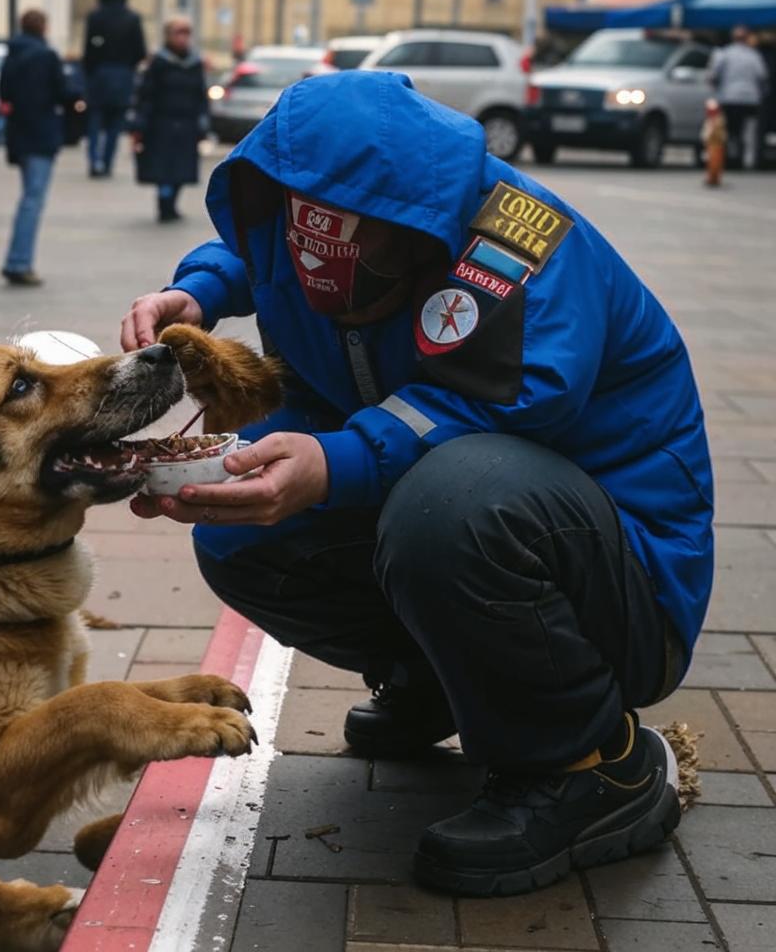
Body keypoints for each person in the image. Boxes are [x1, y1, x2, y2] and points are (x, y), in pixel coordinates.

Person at [119, 72, 714, 897]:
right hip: (476, 513)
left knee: (452, 502)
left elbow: (485, 415)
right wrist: (200, 290)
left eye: (363, 252)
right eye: (302, 233)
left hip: (626, 582)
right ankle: (446, 679)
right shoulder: (297, 215)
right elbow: (259, 248)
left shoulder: (524, 247)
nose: (316, 260)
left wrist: (332, 465)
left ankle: (592, 765)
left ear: (419, 234)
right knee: (239, 528)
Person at [0, 9, 73, 286]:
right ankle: (18, 261)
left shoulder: (12, 54)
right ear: (43, 27)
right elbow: (62, 92)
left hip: (18, 134)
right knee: (33, 200)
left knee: (28, 197)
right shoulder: (46, 56)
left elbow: (4, 92)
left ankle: (18, 260)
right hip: (41, 135)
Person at [129, 17, 209, 223]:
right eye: (178, 33)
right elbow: (146, 95)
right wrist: (139, 124)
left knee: (182, 169)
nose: (182, 39)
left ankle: (172, 202)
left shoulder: (195, 63)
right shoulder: (158, 63)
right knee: (163, 168)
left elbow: (201, 95)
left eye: (186, 34)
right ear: (169, 36)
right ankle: (164, 204)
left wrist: (203, 121)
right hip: (161, 123)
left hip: (186, 123)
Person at [83, 0, 146, 178]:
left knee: (94, 122)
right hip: (122, 75)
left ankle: (94, 160)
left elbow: (89, 50)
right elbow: (140, 51)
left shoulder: (95, 17)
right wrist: (128, 66)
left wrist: (90, 71)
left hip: (99, 76)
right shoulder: (132, 18)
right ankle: (107, 162)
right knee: (114, 125)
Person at [708, 25, 769, 170]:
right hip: (750, 99)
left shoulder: (725, 53)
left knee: (729, 131)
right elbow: (762, 77)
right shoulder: (754, 55)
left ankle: (729, 159)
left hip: (729, 98)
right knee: (747, 131)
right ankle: (747, 160)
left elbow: (713, 75)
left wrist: (715, 88)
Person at [701, 98, 727, 187]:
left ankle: (715, 179)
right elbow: (706, 132)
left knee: (716, 163)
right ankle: (711, 178)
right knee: (711, 163)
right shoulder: (710, 120)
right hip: (711, 144)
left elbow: (720, 133)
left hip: (717, 144)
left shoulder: (719, 120)